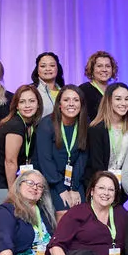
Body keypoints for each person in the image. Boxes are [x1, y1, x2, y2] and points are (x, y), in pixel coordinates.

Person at [0, 84, 43, 211]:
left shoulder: (30, 125)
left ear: (38, 104)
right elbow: (10, 162)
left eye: (31, 101)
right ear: (16, 105)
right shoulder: (16, 125)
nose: (27, 105)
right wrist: (13, 192)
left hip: (2, 175)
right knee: (10, 211)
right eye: (22, 102)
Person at [36, 85, 89, 218]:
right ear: (59, 104)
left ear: (81, 104)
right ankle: (60, 239)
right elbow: (45, 161)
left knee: (82, 212)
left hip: (73, 179)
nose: (71, 104)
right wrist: (61, 189)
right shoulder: (46, 124)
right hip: (51, 179)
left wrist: (74, 188)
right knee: (64, 212)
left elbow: (82, 158)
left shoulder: (85, 123)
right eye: (66, 100)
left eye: (76, 100)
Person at [87, 82, 128, 197]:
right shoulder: (96, 129)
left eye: (127, 99)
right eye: (118, 99)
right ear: (109, 101)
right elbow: (96, 166)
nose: (123, 103)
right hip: (101, 187)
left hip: (125, 187)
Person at [79, 51, 117, 121]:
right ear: (92, 69)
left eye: (108, 66)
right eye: (99, 66)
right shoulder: (83, 90)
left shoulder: (115, 91)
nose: (104, 70)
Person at [32, 51, 63, 118]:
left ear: (57, 68)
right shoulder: (32, 90)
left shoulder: (64, 91)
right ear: (37, 70)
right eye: (43, 66)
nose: (48, 69)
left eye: (52, 65)